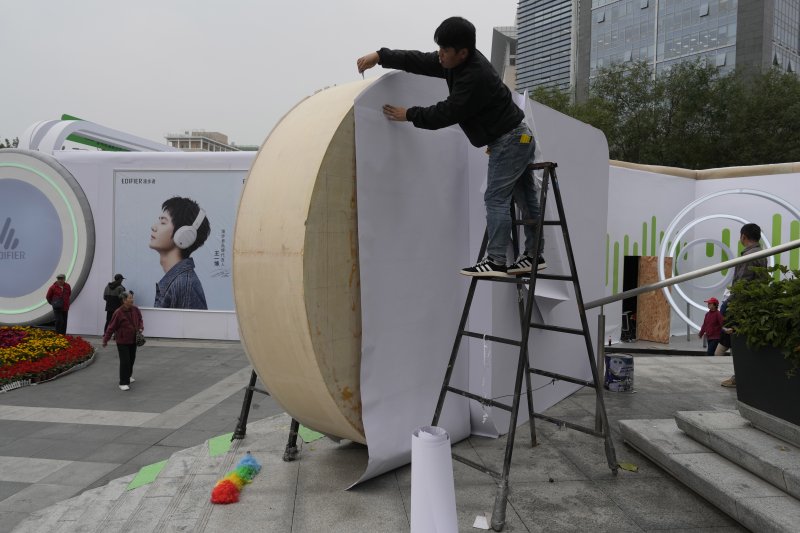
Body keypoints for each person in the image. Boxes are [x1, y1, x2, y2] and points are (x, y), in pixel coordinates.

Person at [356, 16, 545, 277]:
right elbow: (418, 60)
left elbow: (446, 113)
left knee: (495, 197)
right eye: (439, 48)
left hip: (511, 140)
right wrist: (380, 55)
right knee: (525, 198)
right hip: (518, 137)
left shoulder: (473, 78)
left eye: (444, 50)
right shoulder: (455, 60)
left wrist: (408, 114)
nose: (439, 55)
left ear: (462, 52)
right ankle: (534, 256)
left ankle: (497, 260)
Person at [719, 223, 767, 388]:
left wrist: (730, 303)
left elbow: (742, 282)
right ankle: (743, 376)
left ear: (744, 236)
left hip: (743, 306)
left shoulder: (749, 256)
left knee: (738, 342)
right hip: (754, 304)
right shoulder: (762, 253)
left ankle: (740, 377)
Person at [149, 196, 210, 309]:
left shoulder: (184, 285)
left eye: (163, 222)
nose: (153, 227)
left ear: (183, 235)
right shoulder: (179, 282)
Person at [102, 291, 143, 391]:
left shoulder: (135, 309)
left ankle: (128, 376)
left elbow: (140, 319)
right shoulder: (118, 313)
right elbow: (111, 327)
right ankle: (123, 382)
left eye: (132, 298)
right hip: (122, 341)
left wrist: (141, 327)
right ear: (124, 300)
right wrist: (105, 339)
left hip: (133, 339)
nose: (132, 300)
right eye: (130, 298)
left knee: (131, 359)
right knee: (125, 361)